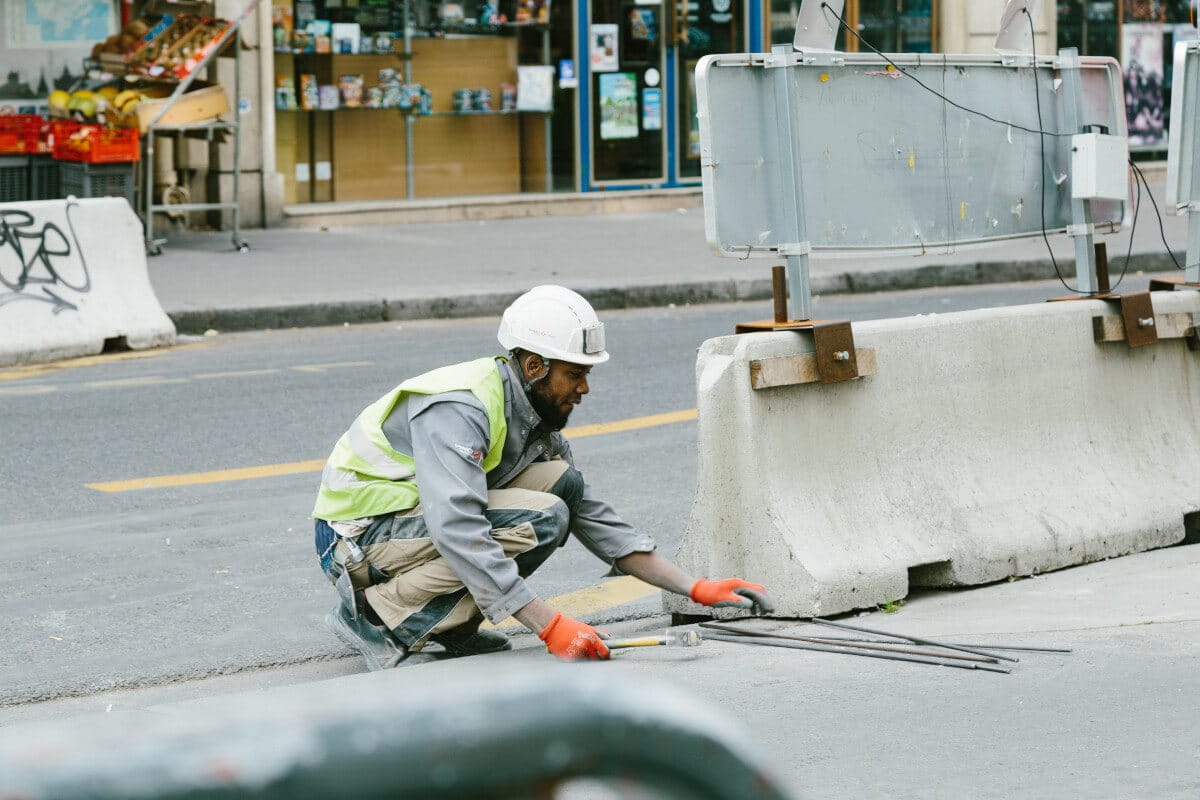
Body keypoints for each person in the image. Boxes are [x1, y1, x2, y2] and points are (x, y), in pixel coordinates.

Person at [312, 285, 773, 670]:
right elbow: (457, 527)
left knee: (562, 487)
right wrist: (549, 626)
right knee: (543, 517)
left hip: (403, 528)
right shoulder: (461, 407)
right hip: (355, 539)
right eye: (575, 374)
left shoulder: (534, 418)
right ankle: (377, 619)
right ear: (535, 367)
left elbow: (596, 520)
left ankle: (449, 627)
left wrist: (695, 588)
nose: (584, 388)